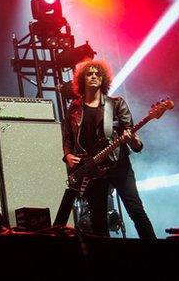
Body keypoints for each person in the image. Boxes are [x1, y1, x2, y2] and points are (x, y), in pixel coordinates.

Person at [62, 59, 156, 238]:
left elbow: (134, 141)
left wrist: (133, 140)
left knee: (136, 210)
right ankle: (104, 261)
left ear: (104, 79)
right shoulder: (74, 108)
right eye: (89, 74)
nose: (94, 76)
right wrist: (67, 154)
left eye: (98, 74)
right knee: (98, 220)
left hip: (118, 165)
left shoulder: (116, 103)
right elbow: (67, 136)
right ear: (82, 79)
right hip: (92, 168)